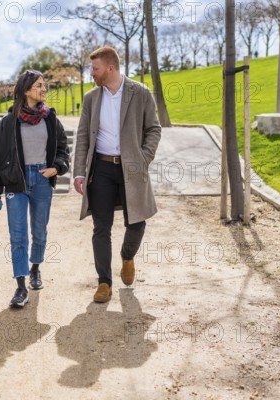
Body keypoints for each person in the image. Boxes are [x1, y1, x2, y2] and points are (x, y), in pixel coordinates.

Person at [73, 47, 161, 303]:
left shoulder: (140, 93)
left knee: (137, 222)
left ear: (110, 68)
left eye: (95, 69)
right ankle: (104, 282)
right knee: (101, 227)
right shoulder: (91, 98)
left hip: (131, 168)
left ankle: (127, 256)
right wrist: (80, 171)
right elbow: (82, 137)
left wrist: (143, 159)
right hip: (100, 169)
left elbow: (153, 129)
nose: (92, 73)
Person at [0, 70, 70, 308]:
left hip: (43, 180)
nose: (44, 89)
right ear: (25, 90)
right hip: (17, 182)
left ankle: (35, 268)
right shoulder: (8, 122)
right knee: (18, 235)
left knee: (40, 232)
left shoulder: (51, 119)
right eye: (39, 86)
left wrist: (57, 168)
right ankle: (21, 286)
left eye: (45, 86)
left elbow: (63, 149)